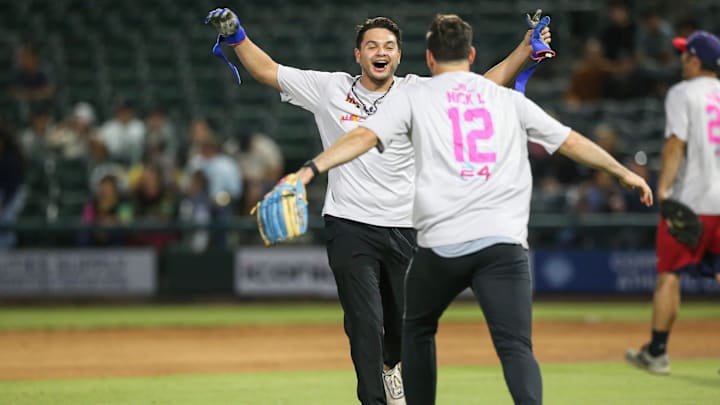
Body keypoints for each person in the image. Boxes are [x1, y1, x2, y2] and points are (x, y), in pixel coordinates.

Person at [287, 14, 653, 404]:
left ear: (428, 59)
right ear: (472, 54)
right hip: (503, 243)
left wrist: (310, 169)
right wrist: (621, 171)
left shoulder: (416, 95)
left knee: (414, 328)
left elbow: (363, 135)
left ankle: (403, 383)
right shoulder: (505, 98)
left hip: (441, 241)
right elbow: (570, 141)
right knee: (515, 347)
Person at [206, 8, 551, 405]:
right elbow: (267, 70)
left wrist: (525, 48)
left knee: (403, 329)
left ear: (400, 56)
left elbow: (481, 87)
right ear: (358, 55)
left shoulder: (416, 91)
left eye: (388, 45)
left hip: (407, 227)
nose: (380, 51)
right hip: (349, 225)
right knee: (364, 325)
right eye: (371, 45)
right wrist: (236, 36)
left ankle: (393, 368)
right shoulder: (330, 88)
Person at [625, 30, 720, 376]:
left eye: (685, 54)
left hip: (692, 200)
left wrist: (662, 189)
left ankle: (657, 353)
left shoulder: (683, 93)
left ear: (695, 60)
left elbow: (675, 143)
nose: (681, 59)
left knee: (669, 275)